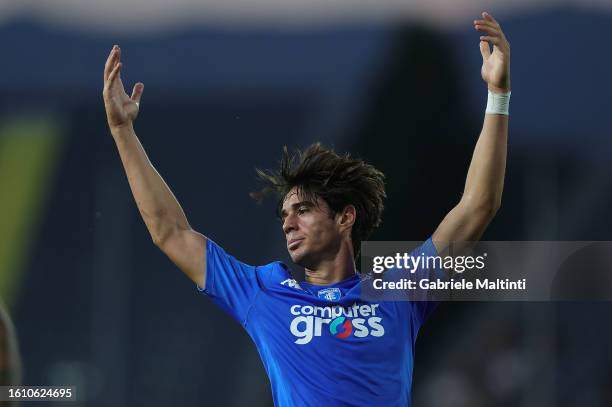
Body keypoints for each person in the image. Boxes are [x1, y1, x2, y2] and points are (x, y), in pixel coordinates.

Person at [102, 11, 510, 407]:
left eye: (302, 210)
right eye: (283, 215)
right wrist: (123, 133)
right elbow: (170, 232)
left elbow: (477, 206)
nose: (288, 224)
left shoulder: (399, 292)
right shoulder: (262, 294)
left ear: (344, 217)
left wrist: (498, 96)